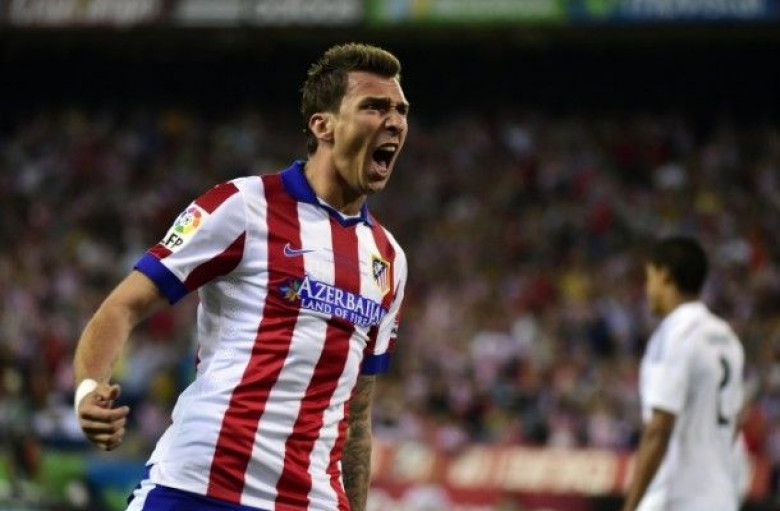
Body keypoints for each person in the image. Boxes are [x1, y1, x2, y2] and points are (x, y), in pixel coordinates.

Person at [72, 42, 409, 511]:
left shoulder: (388, 259)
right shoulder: (242, 206)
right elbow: (123, 306)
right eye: (374, 106)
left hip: (310, 500)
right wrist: (88, 389)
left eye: (400, 110)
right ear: (323, 125)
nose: (394, 121)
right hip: (197, 486)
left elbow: (357, 416)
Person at [622, 237, 745, 511]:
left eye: (649, 278)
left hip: (681, 497)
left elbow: (660, 427)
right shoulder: (727, 339)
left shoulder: (674, 335)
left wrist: (630, 506)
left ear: (665, 276)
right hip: (721, 497)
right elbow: (734, 424)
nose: (647, 289)